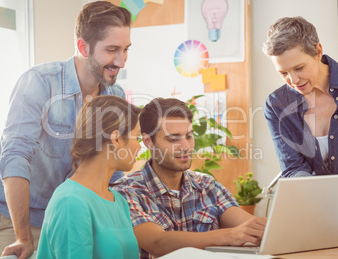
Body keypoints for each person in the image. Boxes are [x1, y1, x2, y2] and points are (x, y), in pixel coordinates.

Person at [0, 1, 132, 259]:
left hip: (77, 215)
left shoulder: (116, 96)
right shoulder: (40, 82)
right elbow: (15, 156)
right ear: (82, 47)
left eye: (125, 49)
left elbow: (109, 167)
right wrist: (23, 236)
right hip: (21, 215)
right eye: (112, 50)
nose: (121, 60)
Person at [263, 16, 338, 239]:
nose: (293, 80)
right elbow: (293, 169)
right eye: (283, 73)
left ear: (318, 51)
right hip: (317, 225)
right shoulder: (277, 104)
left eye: (299, 67)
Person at [114, 98, 267, 258]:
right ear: (148, 141)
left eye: (189, 136)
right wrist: (229, 236)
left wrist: (267, 229)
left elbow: (248, 226)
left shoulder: (207, 185)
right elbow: (158, 243)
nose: (186, 147)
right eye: (173, 139)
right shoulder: (125, 192)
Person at [36, 95, 141, 258]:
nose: (139, 146)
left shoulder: (118, 201)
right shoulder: (70, 202)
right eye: (137, 137)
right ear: (116, 139)